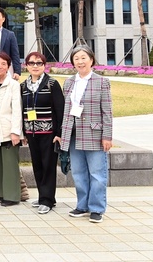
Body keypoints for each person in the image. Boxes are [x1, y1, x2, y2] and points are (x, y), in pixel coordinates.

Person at [55, 46, 113, 224]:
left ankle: (97, 208)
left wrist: (107, 136)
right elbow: (65, 110)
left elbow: (107, 111)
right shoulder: (69, 82)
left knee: (97, 173)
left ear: (91, 60)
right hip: (73, 133)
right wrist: (61, 134)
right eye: (76, 59)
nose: (80, 61)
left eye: (83, 58)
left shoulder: (102, 82)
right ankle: (82, 205)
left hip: (94, 133)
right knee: (79, 172)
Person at [21, 51, 64, 215]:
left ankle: (48, 200)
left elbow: (60, 110)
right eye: (31, 63)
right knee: (37, 166)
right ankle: (42, 196)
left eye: (38, 63)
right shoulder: (23, 86)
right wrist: (23, 132)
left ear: (44, 65)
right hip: (31, 134)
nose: (35, 66)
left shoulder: (52, 84)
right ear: (27, 66)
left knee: (48, 166)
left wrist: (58, 132)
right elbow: (22, 110)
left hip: (49, 133)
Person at [0, 52, 23, 207]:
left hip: (8, 128)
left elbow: (17, 109)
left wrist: (15, 131)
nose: (0, 66)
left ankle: (12, 196)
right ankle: (2, 193)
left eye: (3, 64)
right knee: (0, 163)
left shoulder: (13, 85)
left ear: (8, 67)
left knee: (10, 163)